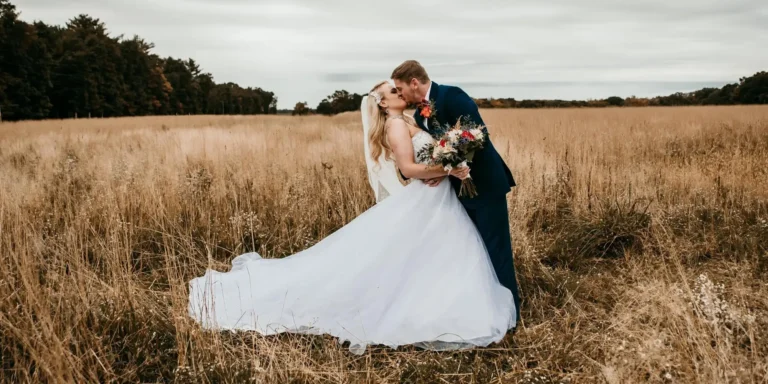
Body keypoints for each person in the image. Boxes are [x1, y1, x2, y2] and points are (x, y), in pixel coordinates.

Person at [187, 80, 516, 355]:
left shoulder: (416, 120)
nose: (399, 92)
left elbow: (433, 152)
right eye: (391, 92)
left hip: (439, 199)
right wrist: (447, 169)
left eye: (398, 88)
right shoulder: (397, 126)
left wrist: (448, 163)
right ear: (383, 105)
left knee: (435, 256)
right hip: (429, 198)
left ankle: (447, 301)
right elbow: (407, 169)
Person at [390, 60, 521, 322]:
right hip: (456, 192)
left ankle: (510, 314)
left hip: (484, 185)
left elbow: (476, 136)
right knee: (475, 251)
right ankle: (484, 308)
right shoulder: (418, 115)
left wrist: (455, 165)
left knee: (497, 249)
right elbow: (435, 150)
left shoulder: (452, 95)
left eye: (400, 87)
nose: (400, 94)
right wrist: (440, 171)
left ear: (414, 82)